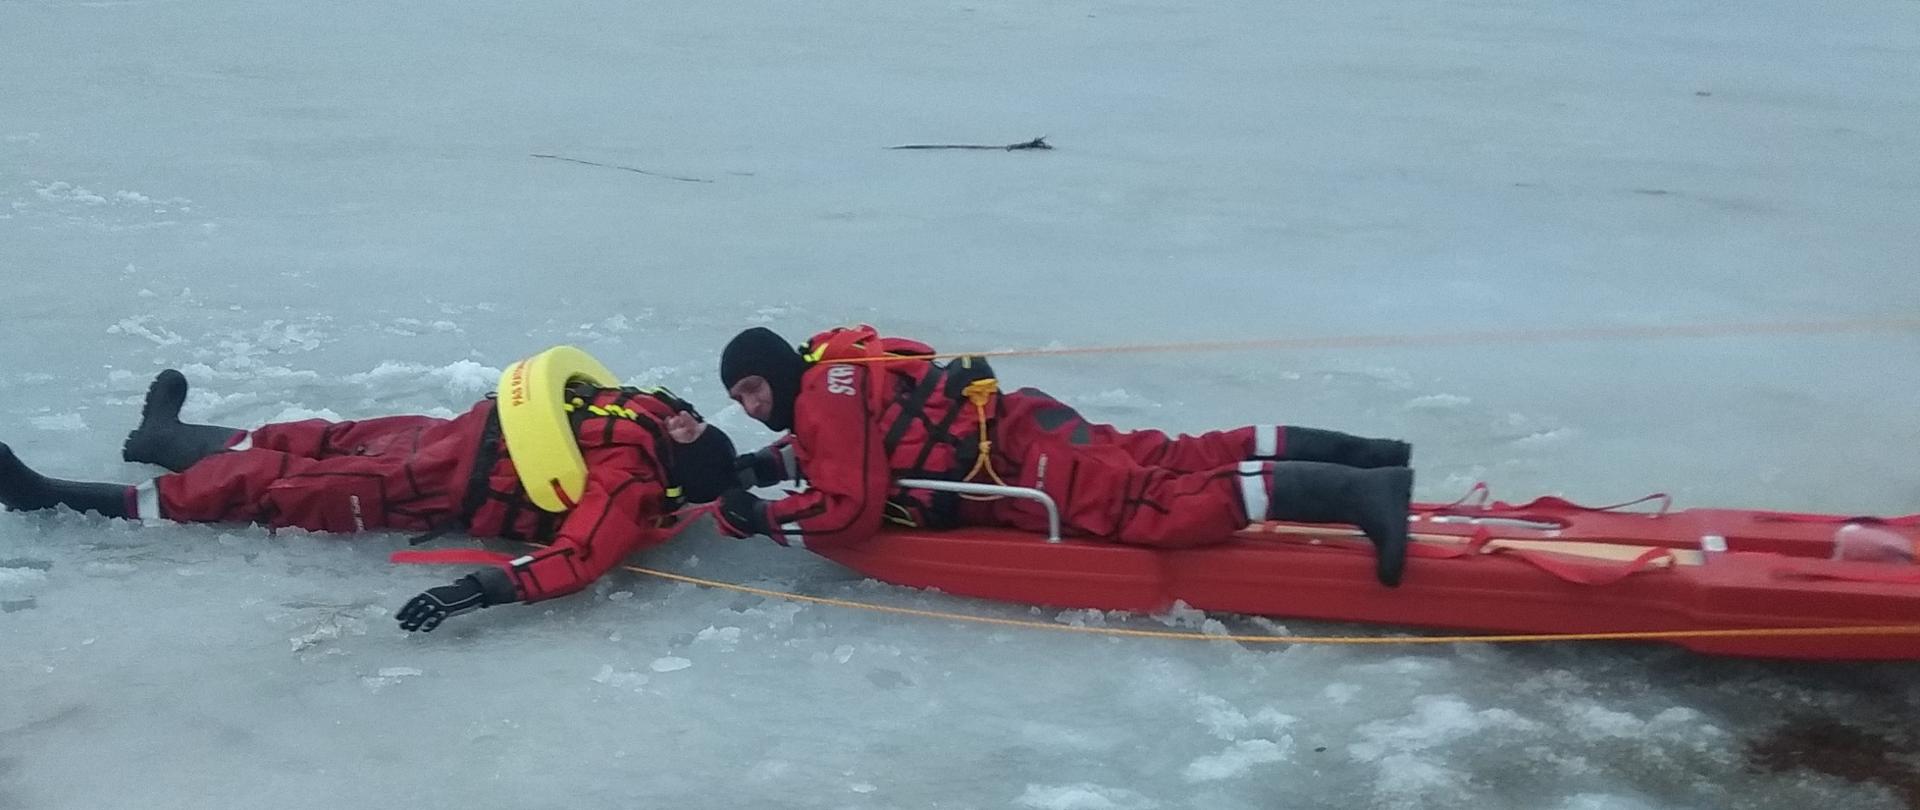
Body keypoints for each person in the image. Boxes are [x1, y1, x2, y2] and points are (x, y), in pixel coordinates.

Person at [0, 367, 738, 630]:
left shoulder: (631, 484)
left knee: (277, 487)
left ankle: (63, 499)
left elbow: (575, 560)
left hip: (436, 488)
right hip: (454, 434)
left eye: (688, 430)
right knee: (322, 438)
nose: (683, 419)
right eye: (689, 419)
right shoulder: (654, 411)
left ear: (677, 469)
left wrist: (471, 592)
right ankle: (167, 437)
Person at [705, 325, 1415, 586]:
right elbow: (859, 443)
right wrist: (765, 468)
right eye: (740, 400)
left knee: (1159, 509)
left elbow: (851, 510)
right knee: (1179, 456)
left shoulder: (823, 399)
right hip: (1026, 424)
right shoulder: (834, 373)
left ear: (779, 371)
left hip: (1023, 466)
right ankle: (1368, 457)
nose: (751, 407)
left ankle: (1361, 495)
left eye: (754, 389)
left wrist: (759, 519)